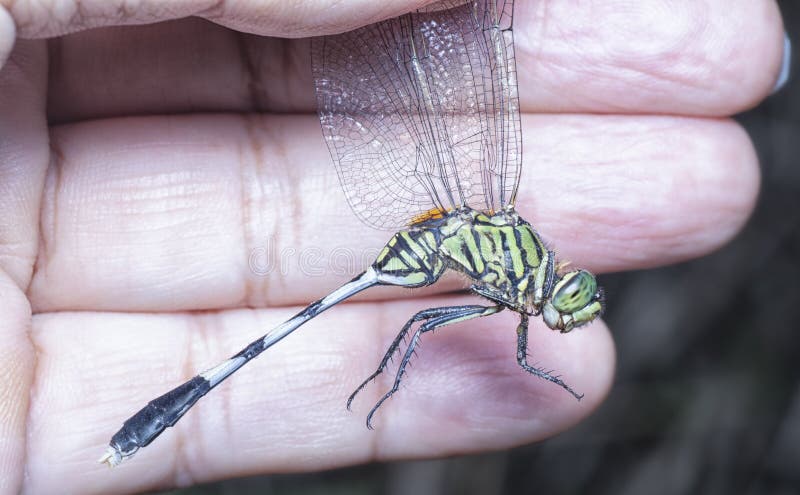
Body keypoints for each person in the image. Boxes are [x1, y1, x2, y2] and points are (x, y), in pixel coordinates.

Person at [0, 1, 787, 493]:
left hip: (430, 236)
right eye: (565, 297)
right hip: (420, 241)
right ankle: (150, 424)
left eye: (567, 301)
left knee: (410, 324)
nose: (563, 306)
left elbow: (502, 347)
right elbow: (455, 335)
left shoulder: (510, 267)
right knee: (408, 324)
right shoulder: (514, 279)